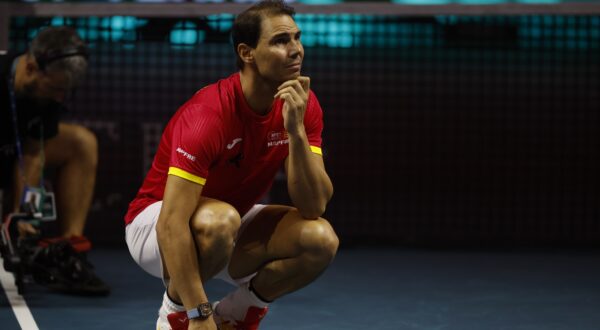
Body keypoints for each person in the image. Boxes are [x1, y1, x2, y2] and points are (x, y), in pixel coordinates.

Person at [124, 1, 339, 329]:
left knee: (320, 239)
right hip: (154, 226)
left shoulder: (302, 106)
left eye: (297, 38)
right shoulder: (207, 116)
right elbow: (171, 224)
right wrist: (198, 312)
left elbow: (314, 205)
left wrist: (295, 132)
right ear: (247, 52)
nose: (296, 50)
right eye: (281, 41)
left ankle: (238, 313)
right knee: (219, 220)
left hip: (225, 225)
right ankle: (174, 313)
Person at [0, 26, 107, 295]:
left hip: (13, 152)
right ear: (31, 67)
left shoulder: (46, 97)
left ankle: (68, 251)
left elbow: (35, 154)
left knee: (81, 142)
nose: (59, 98)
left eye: (65, 91)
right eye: (56, 88)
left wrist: (24, 216)